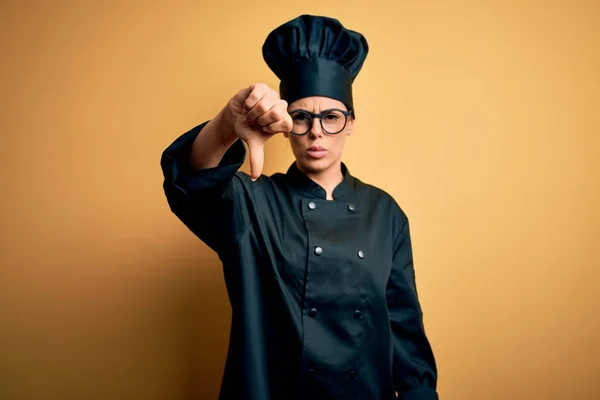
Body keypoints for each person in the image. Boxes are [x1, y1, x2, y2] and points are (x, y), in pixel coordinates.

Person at [160, 14, 438, 400]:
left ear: (352, 123)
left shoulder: (385, 213)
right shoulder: (253, 201)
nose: (317, 132)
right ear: (284, 123)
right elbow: (191, 182)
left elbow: (406, 335)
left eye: (332, 117)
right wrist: (227, 122)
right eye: (302, 117)